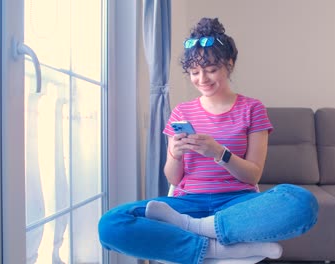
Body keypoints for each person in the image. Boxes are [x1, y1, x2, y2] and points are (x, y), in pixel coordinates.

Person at [98, 17, 318, 264]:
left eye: (211, 69)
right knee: (111, 224)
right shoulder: (182, 112)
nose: (202, 78)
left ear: (230, 64)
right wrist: (176, 154)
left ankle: (198, 229)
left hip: (237, 205)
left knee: (302, 203)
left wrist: (219, 153)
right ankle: (214, 248)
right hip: (187, 203)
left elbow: (253, 176)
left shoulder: (252, 108)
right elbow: (173, 178)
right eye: (194, 72)